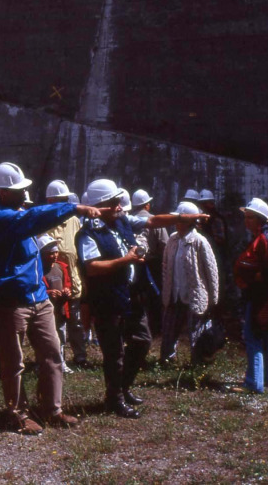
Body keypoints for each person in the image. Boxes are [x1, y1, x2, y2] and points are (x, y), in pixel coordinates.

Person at [77, 179, 209, 418]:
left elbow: (153, 220)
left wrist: (185, 218)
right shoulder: (88, 233)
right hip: (107, 299)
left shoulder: (122, 220)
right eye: (114, 202)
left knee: (142, 340)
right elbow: (92, 267)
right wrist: (126, 260)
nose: (119, 206)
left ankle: (123, 387)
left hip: (131, 295)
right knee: (114, 352)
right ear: (99, 206)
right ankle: (114, 399)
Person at [0, 161, 99, 434]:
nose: (24, 194)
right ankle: (17, 414)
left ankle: (52, 409)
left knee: (52, 353)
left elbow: (33, 216)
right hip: (13, 301)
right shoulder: (1, 218)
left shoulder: (16, 213)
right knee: (13, 363)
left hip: (38, 298)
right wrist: (73, 207)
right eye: (18, 190)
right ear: (2, 192)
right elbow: (33, 218)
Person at [233, 198, 268, 393]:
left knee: (253, 336)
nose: (246, 221)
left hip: (260, 296)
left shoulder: (266, 239)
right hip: (262, 295)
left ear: (261, 219)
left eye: (250, 217)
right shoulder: (261, 238)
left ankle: (253, 383)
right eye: (245, 217)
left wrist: (256, 277)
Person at [159, 202, 220, 365]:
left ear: (190, 221)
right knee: (169, 329)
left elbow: (211, 271)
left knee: (196, 331)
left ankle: (197, 362)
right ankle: (167, 359)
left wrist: (213, 299)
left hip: (194, 294)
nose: (176, 222)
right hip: (174, 294)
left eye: (180, 219)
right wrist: (166, 289)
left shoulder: (199, 241)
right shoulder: (172, 240)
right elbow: (165, 266)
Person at [45, 179, 89, 370]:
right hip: (54, 281)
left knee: (76, 321)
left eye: (65, 200)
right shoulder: (44, 221)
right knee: (57, 323)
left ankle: (80, 356)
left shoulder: (74, 220)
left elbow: (81, 251)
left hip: (74, 278)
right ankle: (58, 358)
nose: (63, 203)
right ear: (50, 201)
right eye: (59, 200)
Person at [131, 189, 168, 334]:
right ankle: (155, 327)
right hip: (153, 265)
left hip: (133, 263)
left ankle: (138, 326)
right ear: (147, 205)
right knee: (155, 295)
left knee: (136, 295)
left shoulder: (128, 220)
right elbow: (164, 244)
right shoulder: (155, 220)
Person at [37, 235, 73, 374]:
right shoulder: (38, 269)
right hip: (45, 309)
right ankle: (42, 362)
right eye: (50, 253)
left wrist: (67, 291)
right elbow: (36, 287)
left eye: (56, 252)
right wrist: (48, 292)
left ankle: (61, 362)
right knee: (45, 337)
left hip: (60, 308)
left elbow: (67, 283)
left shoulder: (61, 267)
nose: (54, 255)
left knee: (61, 335)